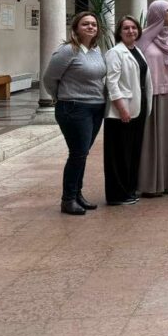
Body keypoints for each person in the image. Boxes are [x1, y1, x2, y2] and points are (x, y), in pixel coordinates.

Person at [43, 11, 107, 215]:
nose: (90, 27)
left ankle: (77, 194)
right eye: (85, 24)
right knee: (78, 154)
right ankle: (68, 199)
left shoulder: (96, 50)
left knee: (82, 153)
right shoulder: (68, 51)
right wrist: (60, 96)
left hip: (96, 107)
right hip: (74, 108)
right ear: (76, 28)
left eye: (93, 24)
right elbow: (49, 78)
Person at [137, 0, 168, 197]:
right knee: (151, 141)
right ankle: (150, 184)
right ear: (157, 14)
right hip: (152, 95)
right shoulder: (143, 38)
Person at [103, 16, 152, 206]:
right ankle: (117, 195)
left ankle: (129, 190)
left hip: (138, 108)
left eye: (133, 28)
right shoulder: (115, 52)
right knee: (119, 154)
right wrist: (121, 108)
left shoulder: (136, 50)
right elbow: (111, 82)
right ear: (119, 32)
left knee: (132, 152)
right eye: (126, 28)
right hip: (121, 111)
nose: (131, 31)